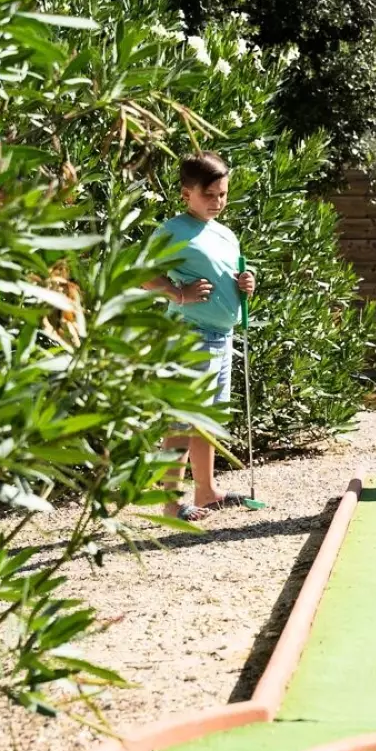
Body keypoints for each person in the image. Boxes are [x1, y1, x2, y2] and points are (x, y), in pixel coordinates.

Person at [144, 152, 255, 521]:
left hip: (222, 336)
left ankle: (207, 492)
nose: (218, 202)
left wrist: (246, 282)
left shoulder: (225, 233)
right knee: (180, 422)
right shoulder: (172, 231)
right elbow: (142, 275)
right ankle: (173, 505)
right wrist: (179, 294)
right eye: (210, 195)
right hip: (190, 336)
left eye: (223, 194)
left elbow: (231, 274)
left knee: (206, 420)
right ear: (185, 193)